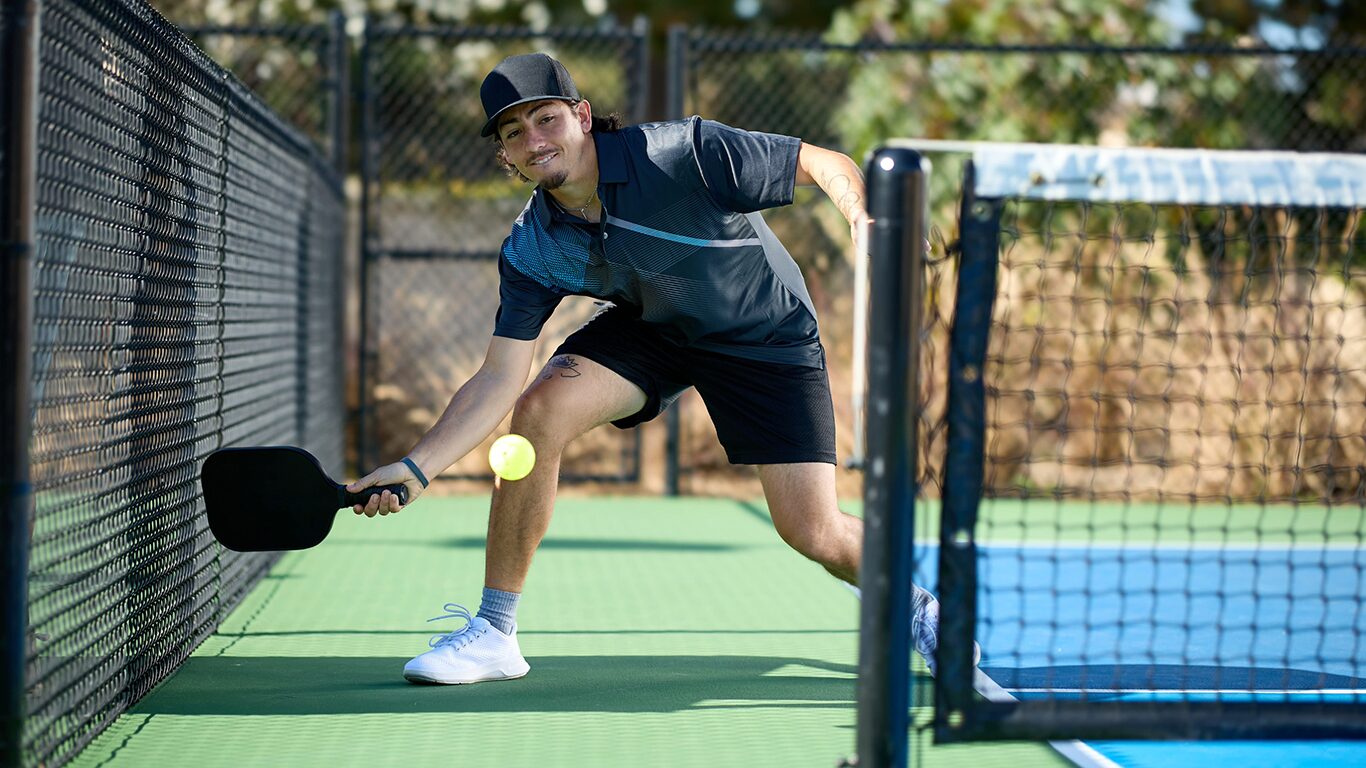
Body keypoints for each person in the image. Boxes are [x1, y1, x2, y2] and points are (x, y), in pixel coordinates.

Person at [347, 52, 966, 684]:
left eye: (545, 118)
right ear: (504, 154)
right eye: (513, 133)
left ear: (582, 117)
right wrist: (417, 469)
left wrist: (862, 219)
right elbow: (498, 378)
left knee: (814, 531)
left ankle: (923, 612)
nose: (533, 140)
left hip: (763, 332)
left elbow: (821, 162)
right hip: (654, 327)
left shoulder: (682, 154)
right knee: (536, 412)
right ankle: (494, 632)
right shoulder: (532, 245)